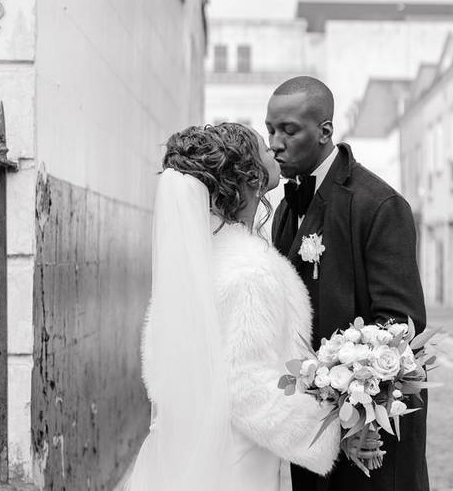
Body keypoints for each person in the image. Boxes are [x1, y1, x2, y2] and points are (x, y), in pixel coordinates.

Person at [124, 123, 349, 491]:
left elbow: (160, 367)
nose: (274, 150)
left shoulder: (193, 262)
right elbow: (246, 387)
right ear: (247, 176)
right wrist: (329, 431)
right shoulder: (249, 267)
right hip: (237, 461)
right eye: (263, 147)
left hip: (191, 447)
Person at [266, 77, 430, 491]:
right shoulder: (286, 209)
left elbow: (400, 327)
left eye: (288, 130)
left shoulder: (380, 205)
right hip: (315, 438)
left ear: (325, 131)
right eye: (270, 130)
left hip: (372, 439)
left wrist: (358, 416)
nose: (275, 144)